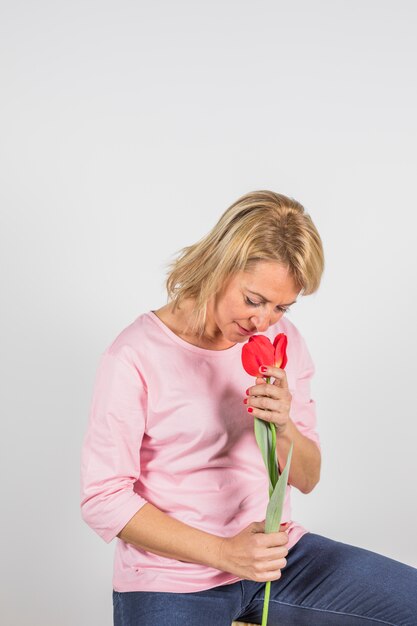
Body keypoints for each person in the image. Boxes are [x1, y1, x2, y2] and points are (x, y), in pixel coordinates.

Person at [80, 190, 417, 626]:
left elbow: (308, 478)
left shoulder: (284, 342)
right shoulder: (134, 354)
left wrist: (285, 426)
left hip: (278, 561)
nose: (263, 322)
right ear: (218, 265)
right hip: (170, 579)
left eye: (281, 307)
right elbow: (103, 500)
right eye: (254, 300)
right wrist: (224, 553)